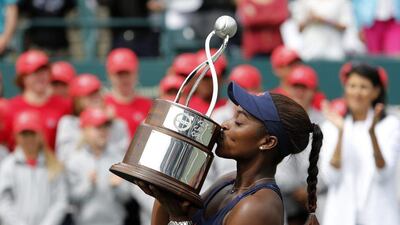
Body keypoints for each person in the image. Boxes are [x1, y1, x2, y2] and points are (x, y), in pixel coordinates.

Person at [137, 82, 324, 225]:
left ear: (267, 142)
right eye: (233, 117)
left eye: (239, 122)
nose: (225, 124)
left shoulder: (258, 207)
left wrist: (177, 216)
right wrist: (165, 191)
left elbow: (179, 219)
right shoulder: (227, 181)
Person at [320, 63, 400, 225]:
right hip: (340, 218)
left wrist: (372, 135)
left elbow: (383, 173)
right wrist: (341, 133)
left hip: (380, 216)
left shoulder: (390, 125)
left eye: (364, 87)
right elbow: (331, 177)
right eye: (352, 86)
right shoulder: (330, 127)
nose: (357, 92)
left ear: (376, 92)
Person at [0, 110, 68, 225]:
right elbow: (3, 202)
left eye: (32, 133)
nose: (29, 139)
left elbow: (60, 202)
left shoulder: (54, 165)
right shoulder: (8, 166)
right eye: (24, 134)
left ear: (40, 134)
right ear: (16, 136)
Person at [65, 107, 131, 225]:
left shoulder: (119, 158)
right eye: (97, 127)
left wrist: (117, 187)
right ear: (85, 131)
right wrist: (88, 184)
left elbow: (127, 197)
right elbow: (70, 199)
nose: (103, 131)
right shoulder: (75, 160)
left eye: (105, 127)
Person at [56, 74, 129, 162]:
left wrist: (107, 123)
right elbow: (64, 158)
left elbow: (123, 158)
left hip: (109, 174)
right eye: (89, 95)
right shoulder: (69, 123)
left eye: (97, 92)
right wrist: (89, 130)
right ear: (77, 100)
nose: (96, 97)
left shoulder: (116, 123)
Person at [8, 50, 72, 150]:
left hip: (55, 163)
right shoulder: (10, 108)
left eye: (44, 71)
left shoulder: (65, 105)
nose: (40, 76)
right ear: (23, 77)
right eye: (34, 72)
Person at [104, 48, 153, 137]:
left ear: (136, 73)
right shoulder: (103, 105)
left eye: (128, 73)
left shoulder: (148, 106)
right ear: (109, 75)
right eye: (119, 74)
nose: (124, 79)